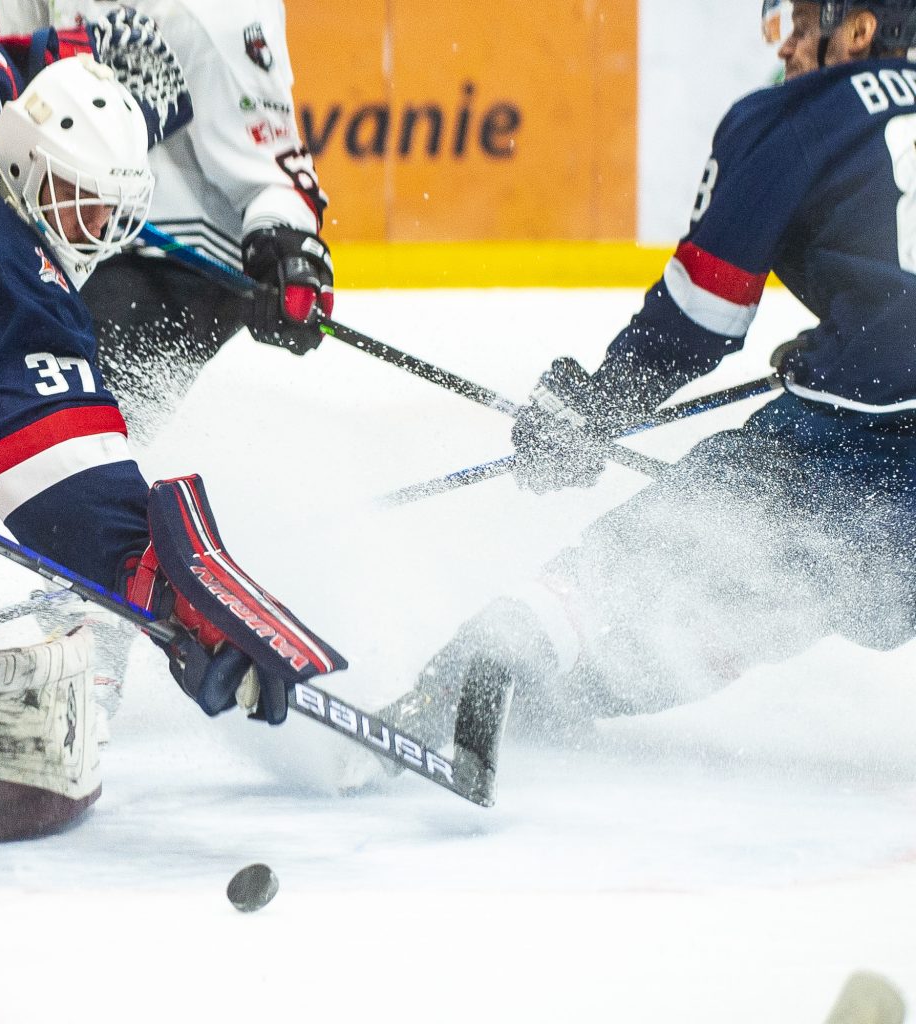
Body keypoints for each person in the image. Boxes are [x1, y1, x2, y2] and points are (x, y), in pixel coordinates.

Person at [377, 0, 916, 797]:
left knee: (681, 541)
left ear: (859, 31)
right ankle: (559, 694)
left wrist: (596, 407)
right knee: (774, 601)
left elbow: (704, 311)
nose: (791, 46)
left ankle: (480, 666)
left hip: (862, 437)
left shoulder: (801, 117)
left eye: (801, 24)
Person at [0, 40, 344, 850]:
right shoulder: (5, 292)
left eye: (111, 212)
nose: (98, 233)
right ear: (23, 160)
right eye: (79, 204)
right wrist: (188, 612)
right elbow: (89, 511)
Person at [0, 1, 335, 441]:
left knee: (61, 428)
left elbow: (275, 174)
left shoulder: (216, 12)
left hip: (174, 259)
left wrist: (289, 255)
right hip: (59, 230)